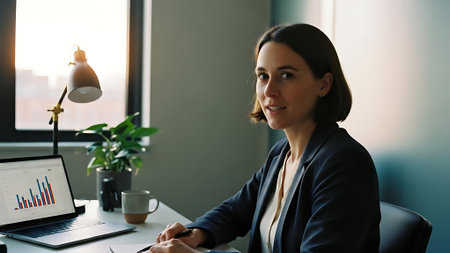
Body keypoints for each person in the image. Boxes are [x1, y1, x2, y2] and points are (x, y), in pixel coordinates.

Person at [149, 23, 380, 253]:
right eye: (263, 76)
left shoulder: (345, 163)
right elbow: (235, 211)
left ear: (324, 84)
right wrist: (195, 234)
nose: (269, 91)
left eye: (286, 75)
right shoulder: (281, 154)